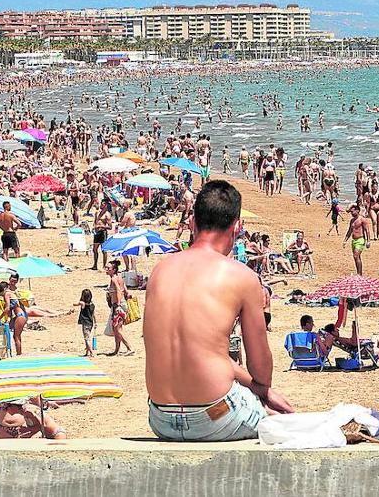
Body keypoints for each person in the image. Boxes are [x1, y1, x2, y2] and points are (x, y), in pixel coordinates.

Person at [144, 180, 293, 442]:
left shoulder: (160, 271)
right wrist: (261, 389)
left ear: (192, 223)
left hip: (160, 418)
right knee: (284, 420)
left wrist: (253, 386)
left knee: (262, 405)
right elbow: (261, 369)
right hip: (216, 416)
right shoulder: (241, 276)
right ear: (237, 227)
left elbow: (197, 350)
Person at [0, 398, 68, 439]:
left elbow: (56, 431)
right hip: (6, 433)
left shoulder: (32, 411)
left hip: (54, 435)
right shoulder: (3, 400)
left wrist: (31, 430)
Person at [105, 261, 133, 356]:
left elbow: (118, 291)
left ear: (114, 270)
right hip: (120, 305)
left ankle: (129, 348)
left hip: (118, 306)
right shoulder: (120, 278)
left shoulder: (114, 279)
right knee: (115, 328)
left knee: (118, 329)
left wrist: (117, 304)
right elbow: (125, 290)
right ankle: (116, 349)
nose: (106, 270)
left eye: (108, 268)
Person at [344, 203, 369, 275]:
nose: (351, 213)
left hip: (360, 240)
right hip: (353, 240)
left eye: (352, 211)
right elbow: (349, 231)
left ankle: (359, 274)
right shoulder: (352, 221)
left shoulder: (362, 220)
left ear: (357, 211)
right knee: (356, 257)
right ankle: (359, 272)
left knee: (356, 255)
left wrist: (368, 241)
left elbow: (367, 230)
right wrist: (345, 240)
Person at [70, 289, 96, 357]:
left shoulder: (82, 303)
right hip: (91, 323)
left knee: (86, 338)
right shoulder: (92, 304)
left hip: (85, 323)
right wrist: (95, 322)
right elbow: (93, 314)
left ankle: (91, 352)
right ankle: (87, 352)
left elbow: (74, 304)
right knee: (87, 337)